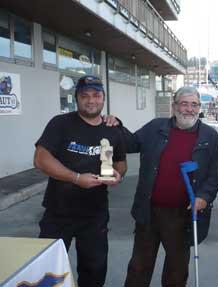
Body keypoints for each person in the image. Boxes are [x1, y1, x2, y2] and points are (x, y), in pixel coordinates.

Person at [119, 86, 218, 287]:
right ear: (174, 106)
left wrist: (204, 197)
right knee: (139, 267)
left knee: (176, 272)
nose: (189, 109)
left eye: (194, 105)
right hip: (149, 211)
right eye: (184, 103)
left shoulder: (210, 136)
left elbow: (215, 173)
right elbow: (129, 143)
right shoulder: (155, 127)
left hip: (182, 215)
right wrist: (115, 126)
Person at [34, 75, 127, 287]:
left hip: (95, 215)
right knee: (47, 271)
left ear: (104, 98)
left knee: (94, 271)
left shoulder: (111, 129)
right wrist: (76, 179)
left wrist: (116, 175)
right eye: (85, 96)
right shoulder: (61, 124)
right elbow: (41, 159)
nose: (91, 100)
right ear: (76, 98)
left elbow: (120, 163)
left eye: (96, 95)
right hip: (58, 213)